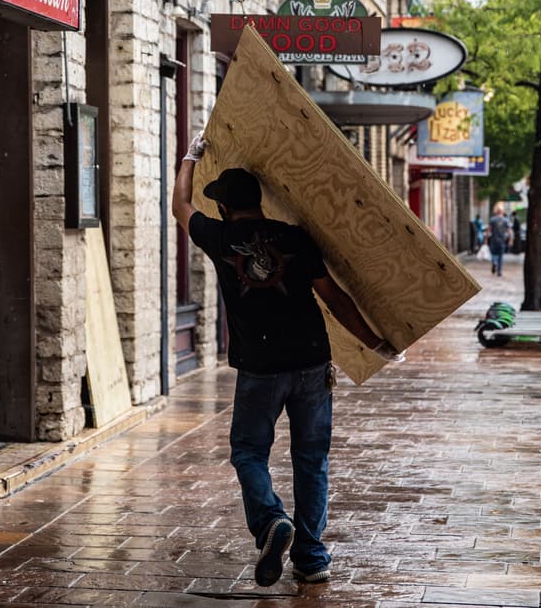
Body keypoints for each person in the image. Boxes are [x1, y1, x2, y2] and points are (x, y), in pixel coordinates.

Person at [172, 133, 404, 587]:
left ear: (223, 208)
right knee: (311, 459)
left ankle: (271, 521)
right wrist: (375, 342)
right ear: (260, 202)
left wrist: (190, 156)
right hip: (312, 363)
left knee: (248, 451)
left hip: (259, 368)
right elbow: (335, 297)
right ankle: (312, 557)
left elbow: (181, 204)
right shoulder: (295, 238)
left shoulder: (219, 238)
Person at [487, 203, 513, 277]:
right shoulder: (506, 220)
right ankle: (499, 271)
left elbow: (488, 230)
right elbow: (510, 231)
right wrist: (511, 240)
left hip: (493, 240)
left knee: (493, 254)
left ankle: (494, 262)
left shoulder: (492, 219)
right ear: (502, 211)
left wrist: (485, 239)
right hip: (502, 241)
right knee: (501, 256)